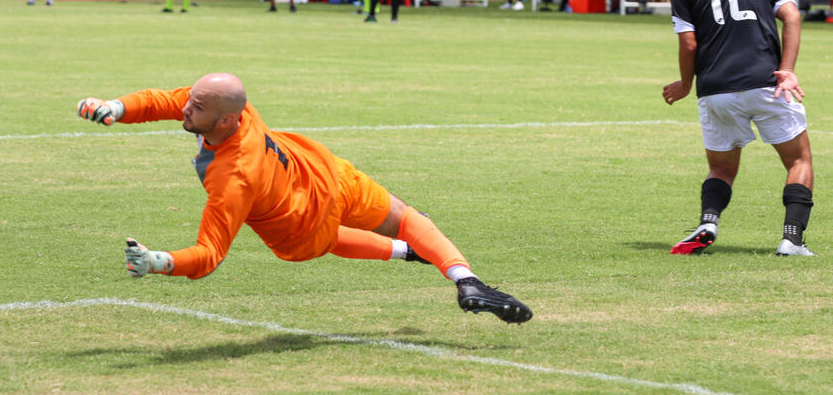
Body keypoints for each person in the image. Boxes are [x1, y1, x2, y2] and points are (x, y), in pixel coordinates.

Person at [76, 73, 532, 324]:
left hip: (301, 220)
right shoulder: (237, 109)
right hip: (323, 172)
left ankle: (434, 266)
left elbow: (210, 254)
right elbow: (166, 99)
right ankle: (462, 277)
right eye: (191, 101)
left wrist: (160, 261)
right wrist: (118, 107)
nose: (185, 109)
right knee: (408, 217)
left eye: (197, 108)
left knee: (335, 236)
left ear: (226, 120)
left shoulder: (231, 177)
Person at [661, 0, 816, 257]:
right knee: (798, 161)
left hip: (715, 90)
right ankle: (792, 239)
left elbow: (688, 43)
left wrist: (686, 84)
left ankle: (707, 222)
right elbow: (792, 16)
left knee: (720, 168)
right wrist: (788, 69)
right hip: (767, 83)